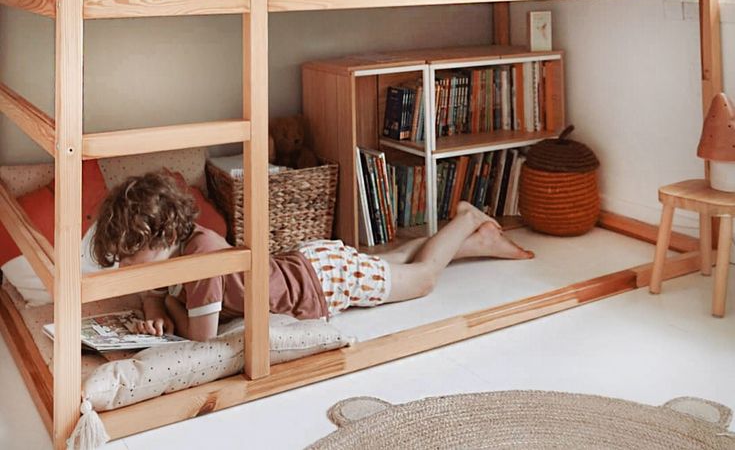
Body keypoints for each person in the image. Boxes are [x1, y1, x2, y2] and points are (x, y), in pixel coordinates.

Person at [92, 170, 533, 342]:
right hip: (304, 262)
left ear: (161, 237)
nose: (124, 267)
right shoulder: (182, 246)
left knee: (420, 279)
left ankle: (466, 218)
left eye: (130, 256)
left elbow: (201, 336)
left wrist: (168, 307)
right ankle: (475, 242)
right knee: (391, 263)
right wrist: (156, 304)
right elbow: (155, 291)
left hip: (321, 283)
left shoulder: (203, 259)